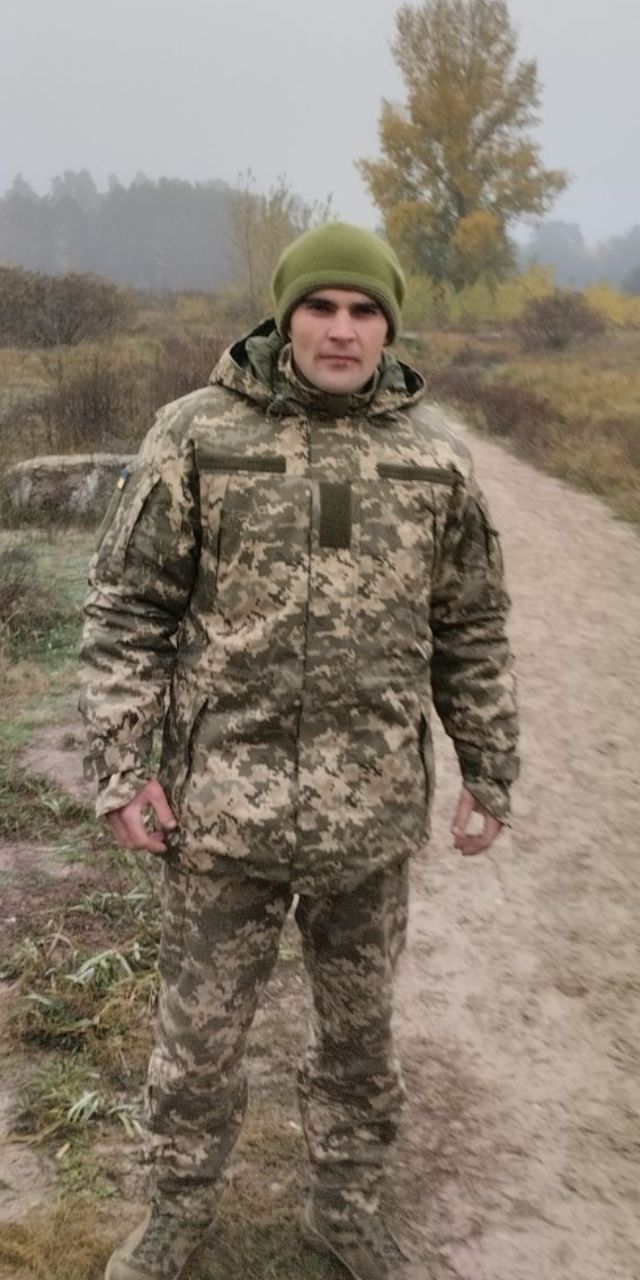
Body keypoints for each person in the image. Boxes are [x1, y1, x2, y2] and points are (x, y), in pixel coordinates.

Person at [80, 222, 518, 1280]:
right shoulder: (196, 434)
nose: (341, 329)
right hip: (220, 808)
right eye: (320, 306)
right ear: (285, 316)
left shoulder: (435, 458)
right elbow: (128, 610)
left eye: (364, 310)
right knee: (198, 1040)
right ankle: (178, 1208)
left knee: (359, 1038)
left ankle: (345, 1204)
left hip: (370, 813)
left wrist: (488, 767)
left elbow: (470, 627)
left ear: (388, 327)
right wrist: (122, 767)